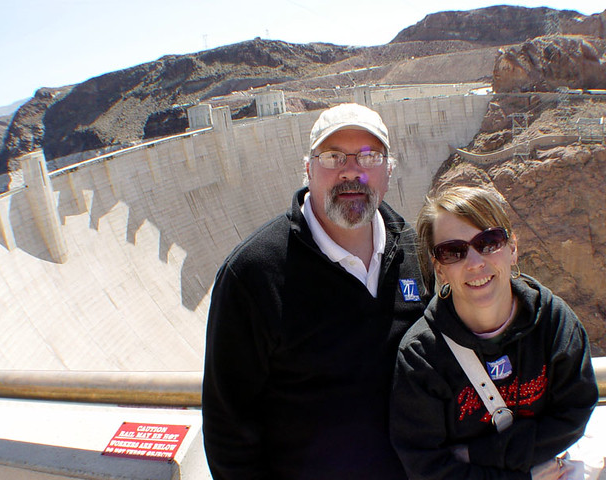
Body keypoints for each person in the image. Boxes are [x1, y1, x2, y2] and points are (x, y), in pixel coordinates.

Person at [202, 103, 427, 479]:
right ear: (308, 169)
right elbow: (229, 433)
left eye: (369, 157)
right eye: (333, 156)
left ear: (388, 171)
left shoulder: (414, 251)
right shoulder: (253, 275)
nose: (351, 171)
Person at [390, 185, 598, 479]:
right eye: (453, 252)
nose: (475, 263)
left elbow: (574, 413)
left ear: (513, 247)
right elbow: (428, 467)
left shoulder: (552, 321)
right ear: (439, 268)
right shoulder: (421, 356)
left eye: (488, 242)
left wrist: (479, 453)